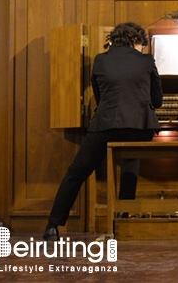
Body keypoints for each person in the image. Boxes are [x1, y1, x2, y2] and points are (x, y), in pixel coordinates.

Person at [43, 22, 163, 241]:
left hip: (106, 125)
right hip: (138, 127)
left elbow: (100, 96)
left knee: (76, 173)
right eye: (142, 45)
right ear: (137, 41)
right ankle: (122, 217)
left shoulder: (101, 59)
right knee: (129, 164)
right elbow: (158, 100)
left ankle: (52, 225)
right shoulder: (146, 61)